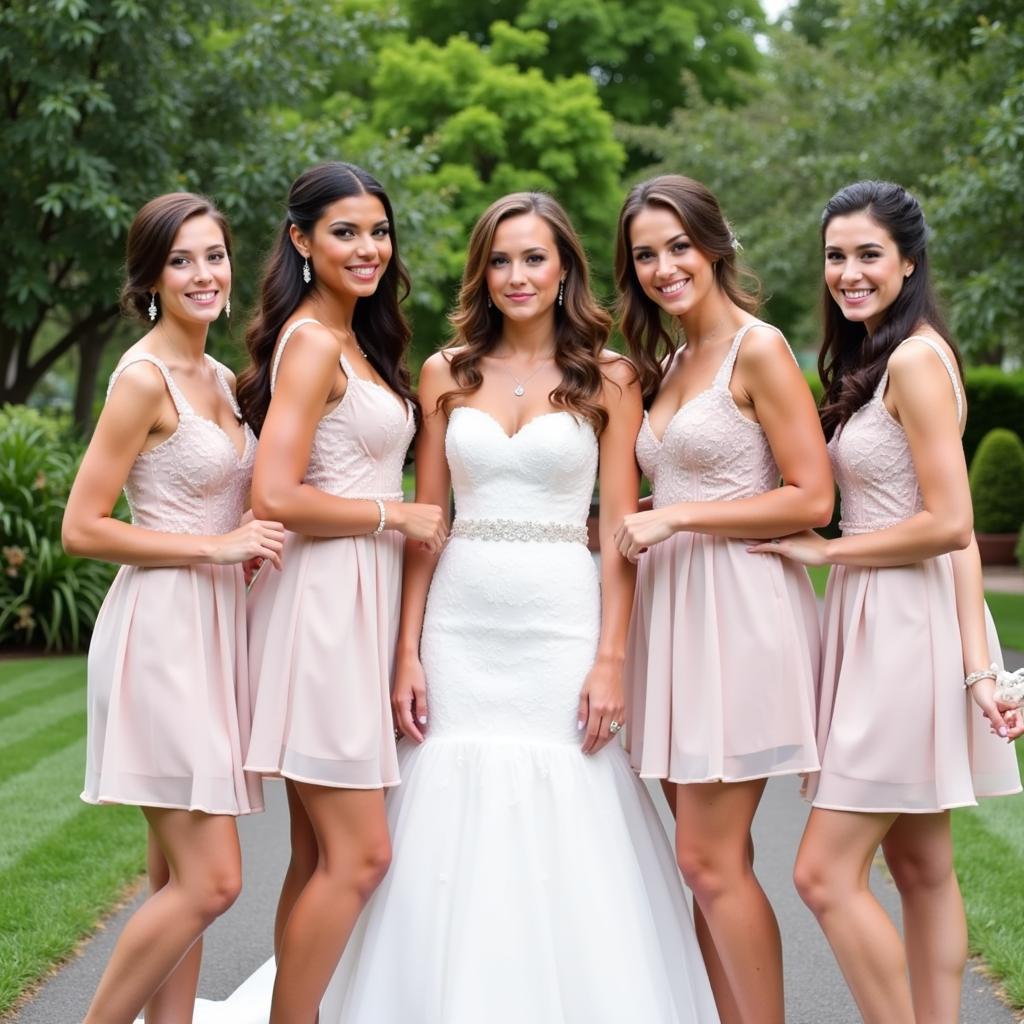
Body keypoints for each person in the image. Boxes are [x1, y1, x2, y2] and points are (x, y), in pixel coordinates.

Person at [316, 191, 719, 1022]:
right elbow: (427, 525)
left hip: (562, 623)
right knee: (445, 812)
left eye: (534, 257)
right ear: (481, 272)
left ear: (565, 265)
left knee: (569, 807)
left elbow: (617, 531)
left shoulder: (612, 378)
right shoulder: (445, 372)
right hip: (461, 625)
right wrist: (407, 650)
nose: (516, 276)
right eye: (499, 260)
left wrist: (612, 657)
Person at [749, 179, 1023, 1023]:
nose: (849, 271)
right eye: (836, 255)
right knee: (922, 865)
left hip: (902, 628)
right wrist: (984, 666)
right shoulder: (888, 356)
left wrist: (830, 549)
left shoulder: (912, 360)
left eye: (869, 254)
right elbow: (958, 538)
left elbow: (949, 524)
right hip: (901, 621)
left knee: (823, 875)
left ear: (908, 260)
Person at [613, 174, 833, 1024]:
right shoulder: (666, 364)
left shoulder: (760, 348)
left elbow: (812, 496)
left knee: (710, 861)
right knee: (705, 859)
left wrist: (678, 516)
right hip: (672, 620)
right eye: (646, 254)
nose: (666, 266)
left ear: (715, 243)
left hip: (740, 615)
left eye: (678, 245)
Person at [62, 192, 284, 1024]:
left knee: (174, 881)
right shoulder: (142, 379)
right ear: (152, 276)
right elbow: (82, 528)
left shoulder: (223, 381)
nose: (203, 274)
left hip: (218, 634)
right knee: (214, 880)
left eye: (215, 255)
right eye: (181, 259)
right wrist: (216, 549)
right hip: (159, 636)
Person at [237, 162, 446, 1023]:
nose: (367, 249)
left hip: (357, 600)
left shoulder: (359, 338)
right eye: (344, 233)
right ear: (301, 241)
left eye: (378, 232)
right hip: (322, 610)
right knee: (360, 857)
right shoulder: (315, 341)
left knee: (314, 854)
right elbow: (273, 495)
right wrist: (393, 517)